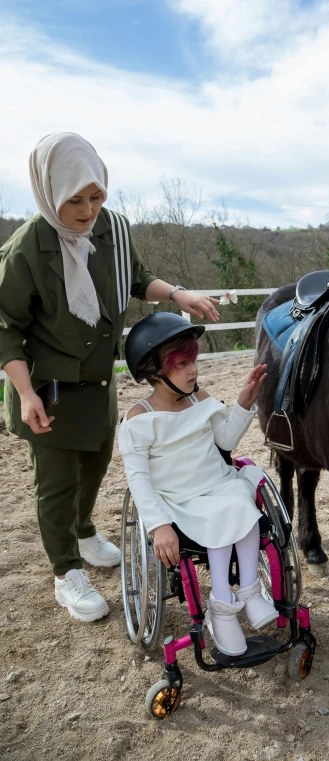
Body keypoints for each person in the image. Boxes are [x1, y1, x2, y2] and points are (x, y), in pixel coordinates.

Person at [0, 133, 220, 623]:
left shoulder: (113, 230)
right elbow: (6, 328)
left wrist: (177, 295)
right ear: (47, 193)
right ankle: (65, 571)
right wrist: (24, 392)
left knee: (96, 463)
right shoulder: (25, 251)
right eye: (74, 200)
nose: (87, 210)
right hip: (47, 387)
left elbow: (138, 277)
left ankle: (83, 530)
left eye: (96, 196)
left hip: (98, 382)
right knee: (56, 482)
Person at [118, 312, 278, 656]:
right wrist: (159, 526)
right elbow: (139, 481)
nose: (193, 370)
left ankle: (247, 590)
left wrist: (244, 403)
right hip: (181, 500)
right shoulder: (138, 420)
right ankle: (222, 604)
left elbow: (225, 441)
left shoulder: (200, 398)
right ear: (153, 370)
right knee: (225, 510)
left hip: (218, 482)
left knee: (240, 498)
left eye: (194, 360)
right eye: (182, 363)